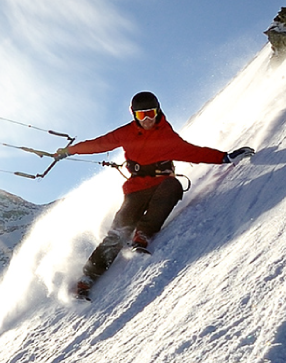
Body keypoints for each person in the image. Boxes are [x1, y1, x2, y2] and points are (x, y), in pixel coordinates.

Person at [55, 91, 255, 300]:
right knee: (119, 230)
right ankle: (87, 280)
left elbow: (194, 152)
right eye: (142, 116)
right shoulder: (126, 133)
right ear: (134, 116)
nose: (148, 120)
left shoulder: (166, 136)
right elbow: (99, 144)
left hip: (161, 184)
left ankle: (143, 233)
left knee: (173, 186)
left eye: (150, 113)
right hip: (135, 188)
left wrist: (225, 157)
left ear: (158, 111)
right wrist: (70, 151)